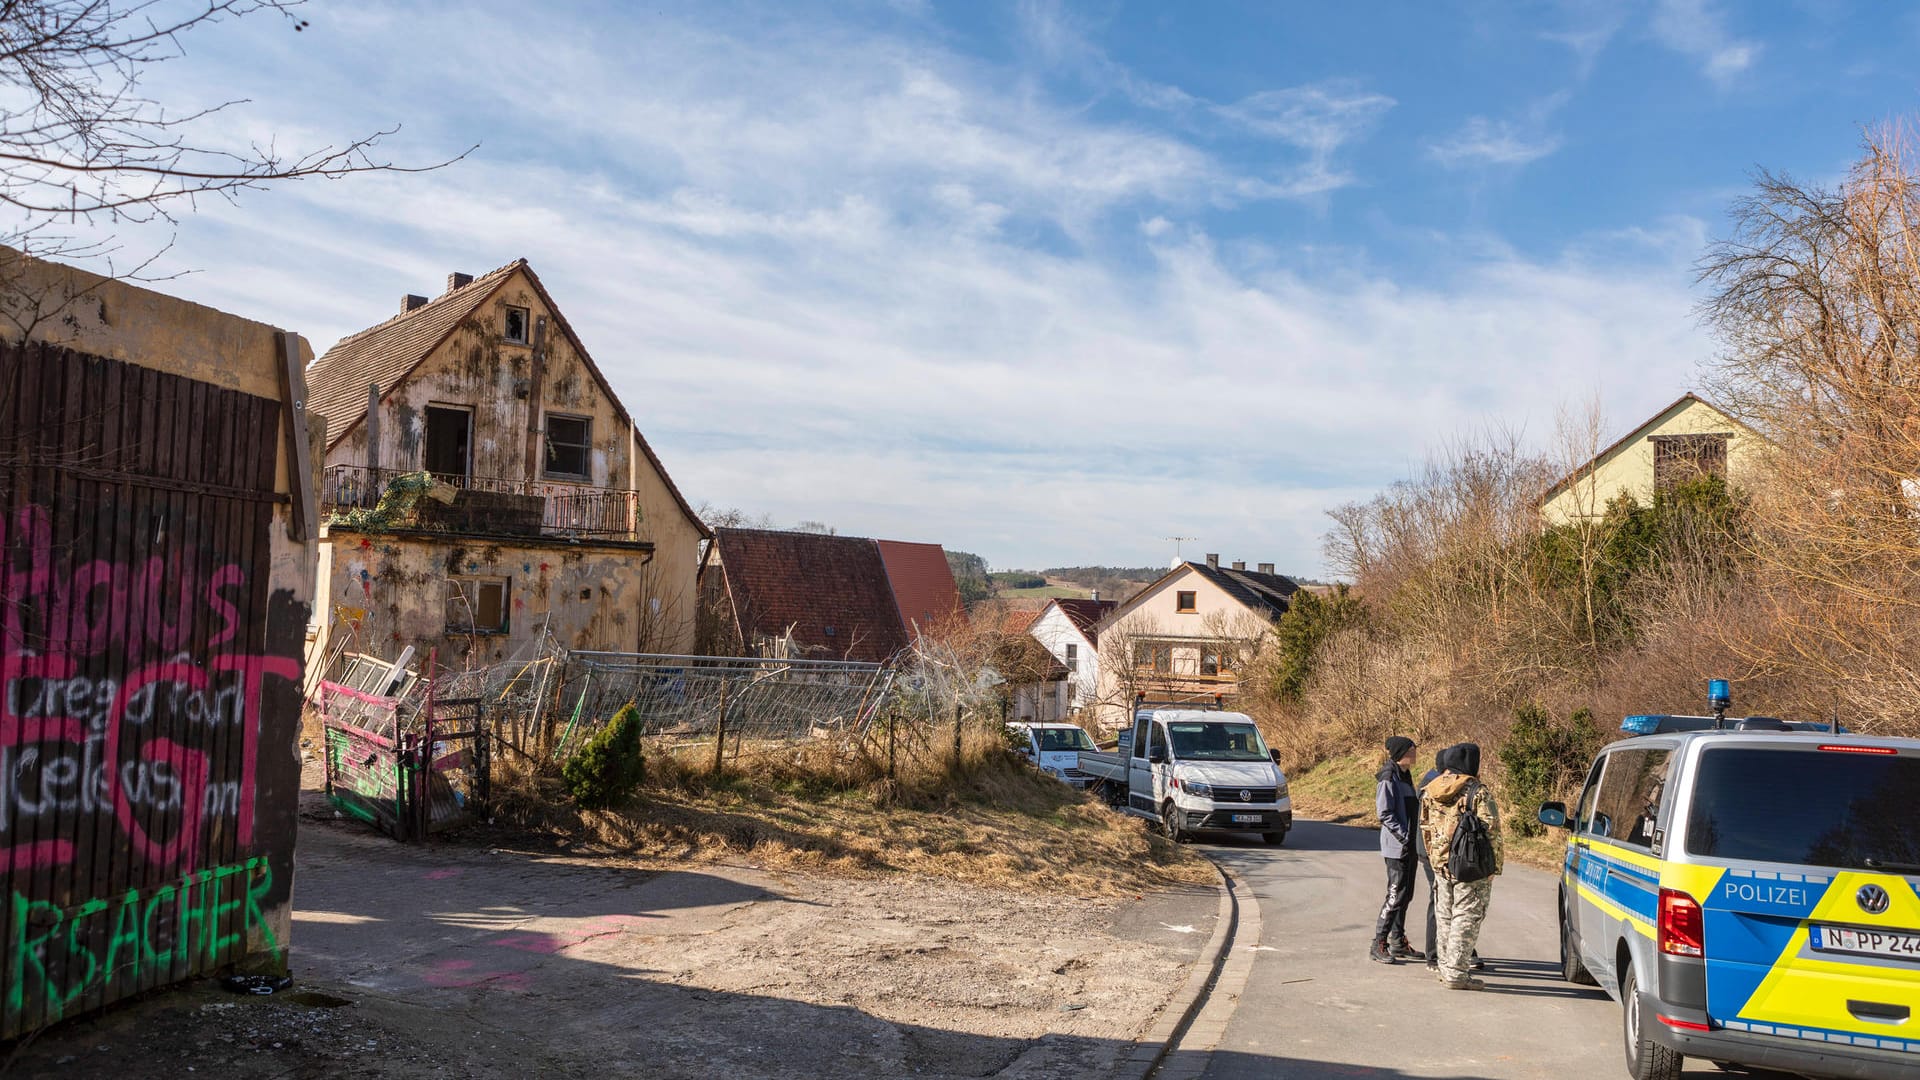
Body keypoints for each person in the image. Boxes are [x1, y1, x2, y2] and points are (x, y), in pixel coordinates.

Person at [1420, 743, 1503, 990]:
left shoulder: (1430, 789)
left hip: (1440, 864)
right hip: (1470, 865)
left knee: (1445, 915)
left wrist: (1434, 857)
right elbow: (1492, 832)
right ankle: (1457, 973)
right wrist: (1492, 868)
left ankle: (1446, 968)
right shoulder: (1477, 792)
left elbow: (1424, 828)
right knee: (1467, 916)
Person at [1371, 736, 1422, 964]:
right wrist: (1404, 836)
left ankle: (1398, 941)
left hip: (1410, 846)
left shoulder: (1405, 775)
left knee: (1406, 895)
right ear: (1402, 752)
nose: (1415, 752)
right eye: (1412, 749)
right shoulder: (1388, 777)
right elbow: (1385, 813)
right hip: (1397, 848)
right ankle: (1378, 943)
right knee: (1395, 895)